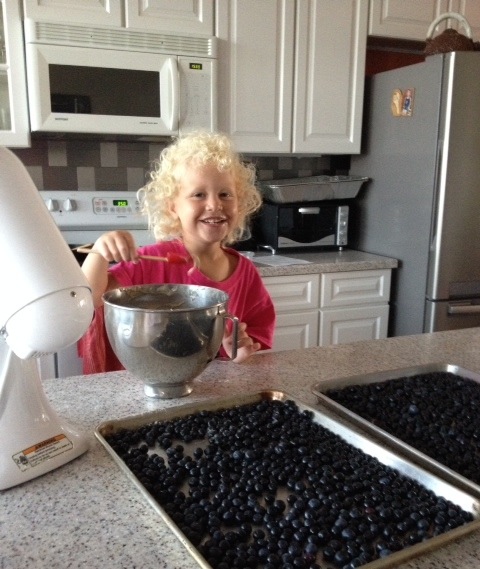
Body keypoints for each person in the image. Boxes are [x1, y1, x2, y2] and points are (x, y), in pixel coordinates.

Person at [78, 131, 276, 373]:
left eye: (225, 194)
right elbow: (88, 299)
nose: (214, 204)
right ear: (173, 207)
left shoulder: (245, 273)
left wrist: (241, 349)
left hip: (211, 392)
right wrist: (99, 253)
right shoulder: (148, 262)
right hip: (146, 386)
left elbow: (255, 337)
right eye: (199, 195)